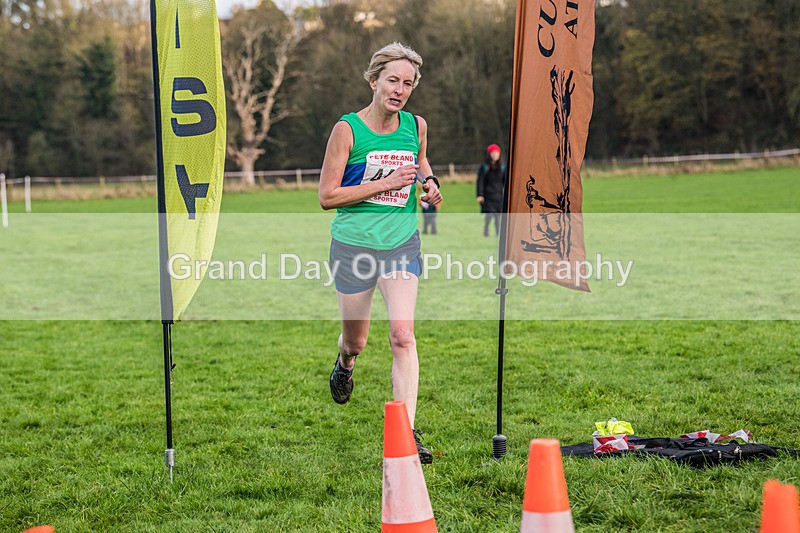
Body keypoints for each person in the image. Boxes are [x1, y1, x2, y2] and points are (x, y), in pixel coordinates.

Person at [318, 42, 443, 464]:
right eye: (392, 80)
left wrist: (429, 183)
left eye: (408, 83)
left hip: (400, 244)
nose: (400, 89)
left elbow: (421, 162)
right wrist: (384, 184)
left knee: (403, 336)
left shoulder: (416, 125)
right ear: (374, 81)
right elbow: (327, 195)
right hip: (353, 247)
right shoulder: (347, 130)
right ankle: (344, 362)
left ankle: (405, 435)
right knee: (357, 340)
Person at [476, 143, 506, 237]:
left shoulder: (502, 168)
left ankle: (498, 233)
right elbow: (480, 181)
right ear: (489, 154)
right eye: (493, 153)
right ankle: (486, 230)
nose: (495, 155)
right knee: (488, 216)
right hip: (488, 196)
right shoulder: (484, 167)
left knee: (498, 217)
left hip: (498, 196)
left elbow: (505, 182)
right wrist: (480, 195)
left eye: (496, 153)